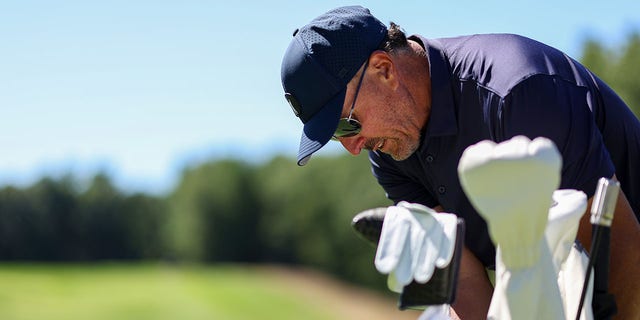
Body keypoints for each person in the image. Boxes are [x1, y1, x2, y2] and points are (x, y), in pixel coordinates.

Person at [280, 5, 640, 319]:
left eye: (347, 124)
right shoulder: (390, 151)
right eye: (337, 137)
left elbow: (623, 250)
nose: (353, 147)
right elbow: (464, 281)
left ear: (384, 69)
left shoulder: (516, 94)